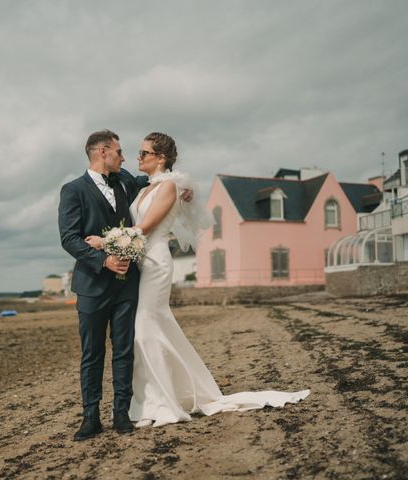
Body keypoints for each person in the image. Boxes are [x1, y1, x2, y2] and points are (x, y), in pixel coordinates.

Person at [87, 132, 310, 428]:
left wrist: (105, 243)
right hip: (141, 265)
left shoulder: (168, 188)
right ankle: (154, 399)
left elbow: (145, 227)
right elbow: (143, 197)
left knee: (143, 330)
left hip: (155, 263)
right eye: (137, 154)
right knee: (149, 330)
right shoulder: (143, 187)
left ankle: (161, 402)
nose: (137, 158)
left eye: (143, 154)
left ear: (161, 158)